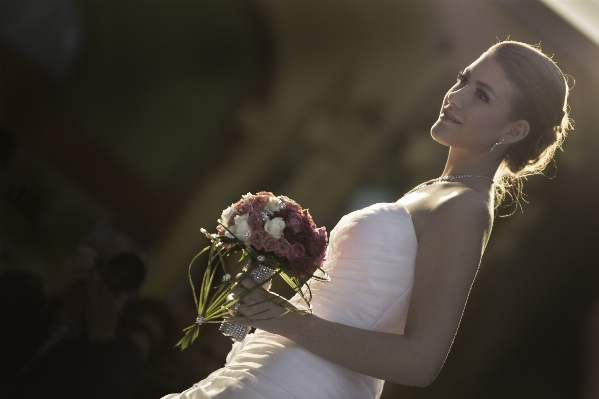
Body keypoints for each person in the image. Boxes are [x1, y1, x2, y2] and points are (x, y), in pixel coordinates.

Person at [163, 41, 572, 398]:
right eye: (463, 79)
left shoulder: (464, 209)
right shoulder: (435, 191)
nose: (457, 96)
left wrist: (285, 319)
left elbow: (420, 362)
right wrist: (263, 286)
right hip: (274, 371)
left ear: (515, 130)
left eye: (481, 95)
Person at [0, 220, 152, 399]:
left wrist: (102, 340)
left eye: (124, 277)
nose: (108, 276)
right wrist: (47, 288)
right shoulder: (25, 290)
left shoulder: (120, 359)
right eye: (100, 261)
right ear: (81, 252)